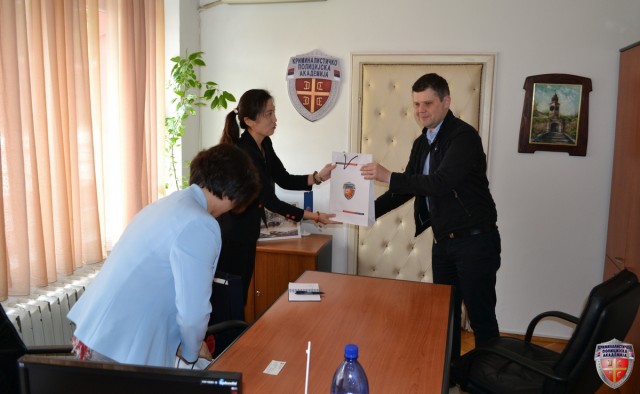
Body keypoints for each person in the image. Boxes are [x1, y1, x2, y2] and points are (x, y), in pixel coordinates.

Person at [67, 144, 260, 367]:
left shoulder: (170, 203)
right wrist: (191, 351)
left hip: (100, 331)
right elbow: (193, 311)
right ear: (232, 194)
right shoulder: (201, 224)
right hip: (121, 344)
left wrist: (182, 344)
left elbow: (157, 283)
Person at [360, 73, 501, 363]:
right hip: (444, 243)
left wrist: (388, 176)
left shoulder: (463, 137)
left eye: (427, 103)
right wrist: (365, 212)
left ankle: (491, 377)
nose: (420, 110)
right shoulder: (422, 142)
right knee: (445, 317)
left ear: (446, 102)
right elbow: (406, 188)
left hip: (475, 243)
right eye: (416, 104)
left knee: (481, 318)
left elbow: (440, 182)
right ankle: (450, 376)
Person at [218, 89, 336, 304]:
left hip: (247, 233)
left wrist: (319, 176)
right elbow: (270, 201)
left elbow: (284, 179)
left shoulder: (264, 144)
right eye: (268, 114)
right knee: (232, 297)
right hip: (233, 236)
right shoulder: (245, 152)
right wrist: (314, 216)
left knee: (239, 295)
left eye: (274, 112)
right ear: (249, 121)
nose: (275, 120)